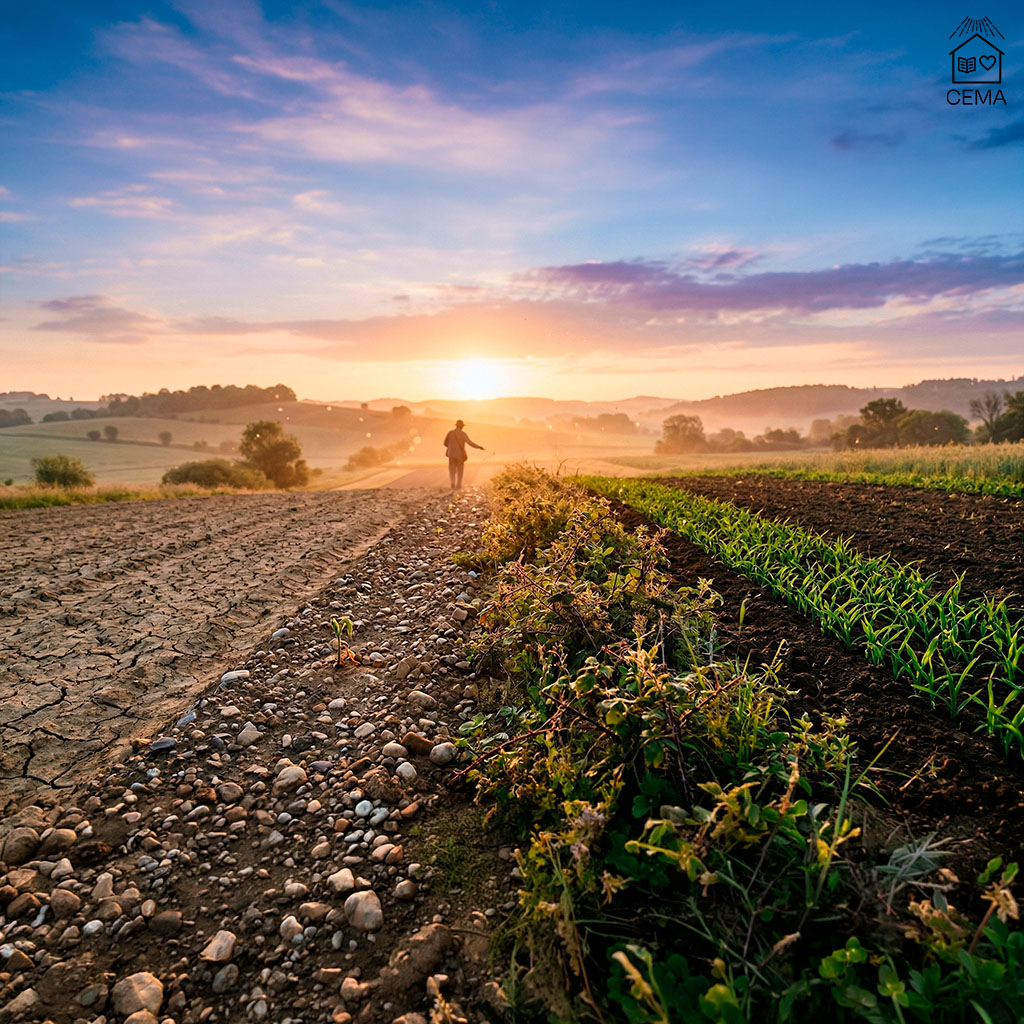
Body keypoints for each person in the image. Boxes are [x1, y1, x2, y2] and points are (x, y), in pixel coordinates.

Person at [443, 419, 484, 490]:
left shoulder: (450, 433)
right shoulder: (463, 434)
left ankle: (452, 483)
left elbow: (445, 443)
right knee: (460, 470)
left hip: (451, 454)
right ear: (462, 426)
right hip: (460, 455)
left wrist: (451, 447)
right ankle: (458, 485)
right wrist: (479, 447)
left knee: (452, 470)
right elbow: (470, 443)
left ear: (456, 425)